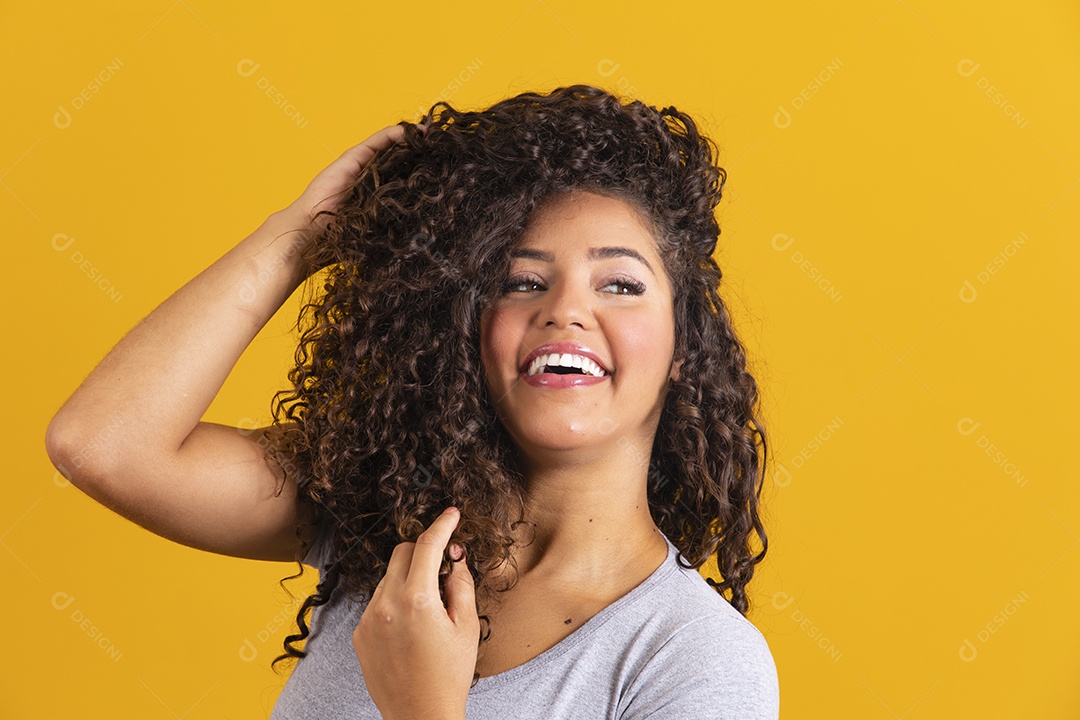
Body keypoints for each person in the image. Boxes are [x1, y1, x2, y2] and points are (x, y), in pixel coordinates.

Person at [45, 83, 779, 719]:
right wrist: (302, 234)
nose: (565, 311)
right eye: (520, 282)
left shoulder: (694, 659)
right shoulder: (380, 521)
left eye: (619, 284)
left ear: (684, 348)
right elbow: (103, 444)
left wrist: (423, 707)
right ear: (469, 330)